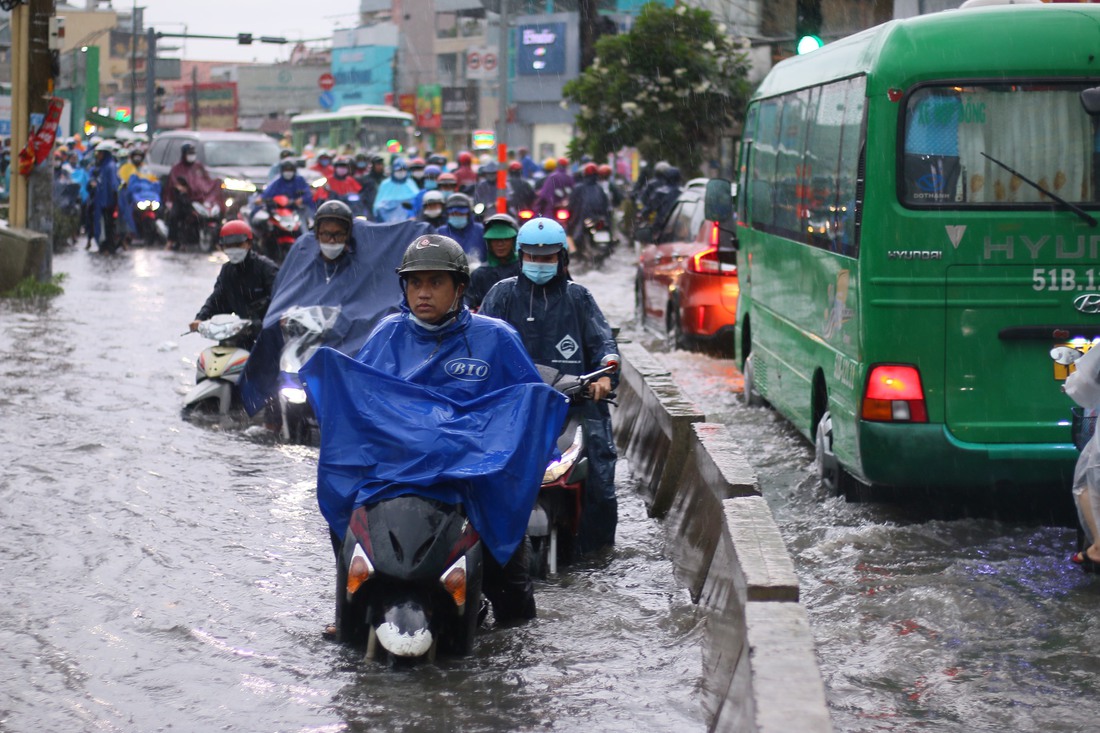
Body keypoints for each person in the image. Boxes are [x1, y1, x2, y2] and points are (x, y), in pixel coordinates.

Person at [309, 234, 560, 634]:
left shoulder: (495, 339)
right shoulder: (387, 334)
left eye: (435, 282)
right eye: (415, 283)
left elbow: (524, 409)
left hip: (471, 481)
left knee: (512, 587)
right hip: (393, 475)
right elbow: (360, 401)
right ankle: (349, 614)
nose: (423, 293)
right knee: (344, 513)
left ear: (460, 287)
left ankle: (513, 637)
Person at [479, 217, 620, 554]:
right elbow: (480, 343)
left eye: (547, 258)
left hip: (575, 403)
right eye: (532, 256)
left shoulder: (579, 298)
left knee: (600, 472)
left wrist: (604, 375)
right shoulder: (501, 295)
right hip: (513, 406)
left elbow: (604, 346)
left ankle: (595, 553)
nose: (539, 263)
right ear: (520, 255)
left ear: (561, 258)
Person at [189, 220, 279, 350]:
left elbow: (281, 302)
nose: (233, 250)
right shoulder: (227, 271)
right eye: (229, 246)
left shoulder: (266, 268)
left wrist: (259, 322)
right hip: (240, 336)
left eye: (238, 245)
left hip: (268, 337)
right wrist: (201, 318)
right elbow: (217, 299)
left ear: (248, 244)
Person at [167, 142, 221, 251]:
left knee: (217, 215)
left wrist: (215, 185)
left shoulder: (198, 167)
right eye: (189, 153)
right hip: (183, 200)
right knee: (174, 216)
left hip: (201, 200)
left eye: (193, 153)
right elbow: (175, 183)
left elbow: (206, 181)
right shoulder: (177, 168)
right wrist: (182, 189)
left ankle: (217, 241)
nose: (191, 155)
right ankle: (171, 240)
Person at [465, 212, 520, 310]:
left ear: (514, 240)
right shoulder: (479, 274)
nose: (500, 244)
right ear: (488, 243)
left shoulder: (524, 269)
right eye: (494, 240)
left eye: (505, 239)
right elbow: (469, 305)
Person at [89, 140, 122, 253]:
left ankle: (109, 247)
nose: (98, 156)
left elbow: (113, 185)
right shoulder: (102, 166)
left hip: (108, 203)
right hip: (101, 201)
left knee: (108, 225)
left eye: (100, 153)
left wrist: (113, 201)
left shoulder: (110, 166)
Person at [436, 192, 486, 263]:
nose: (457, 216)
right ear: (448, 214)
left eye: (461, 213)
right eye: (454, 214)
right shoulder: (439, 233)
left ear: (468, 214)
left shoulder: (481, 230)